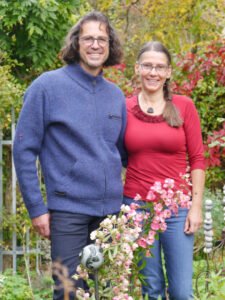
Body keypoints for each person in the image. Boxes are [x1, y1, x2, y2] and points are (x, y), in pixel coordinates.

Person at [13, 11, 126, 299]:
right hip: (68, 211)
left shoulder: (116, 96)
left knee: (108, 292)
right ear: (76, 43)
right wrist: (37, 209)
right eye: (89, 38)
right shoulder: (47, 87)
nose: (96, 44)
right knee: (69, 293)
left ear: (110, 45)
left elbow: (120, 153)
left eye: (102, 39)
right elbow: (24, 150)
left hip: (110, 216)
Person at [123, 41, 205, 299]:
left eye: (159, 67)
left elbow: (198, 159)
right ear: (137, 68)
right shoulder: (123, 108)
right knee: (152, 288)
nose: (153, 72)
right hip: (137, 210)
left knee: (181, 292)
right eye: (147, 65)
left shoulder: (184, 106)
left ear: (169, 72)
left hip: (178, 210)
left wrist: (196, 206)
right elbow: (116, 155)